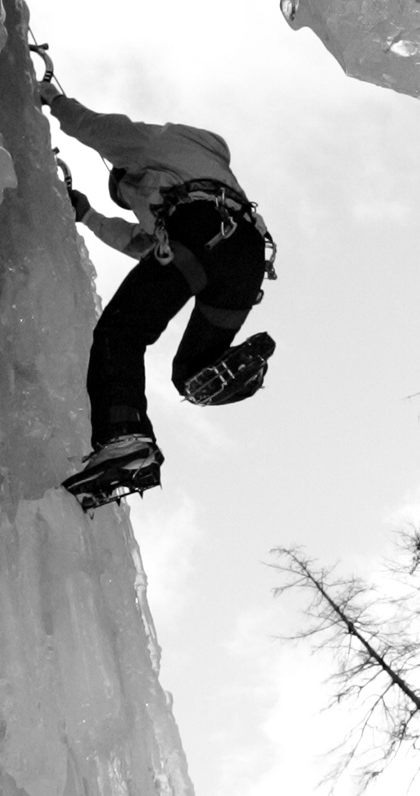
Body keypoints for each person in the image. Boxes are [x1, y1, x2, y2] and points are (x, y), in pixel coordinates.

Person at [36, 64, 275, 496]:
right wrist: (89, 215)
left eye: (125, 197)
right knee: (192, 374)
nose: (130, 206)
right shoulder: (191, 182)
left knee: (120, 332)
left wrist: (53, 101)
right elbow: (144, 246)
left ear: (125, 176)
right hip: (245, 257)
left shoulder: (155, 145)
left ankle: (124, 439)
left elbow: (95, 128)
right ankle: (232, 367)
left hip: (204, 233)